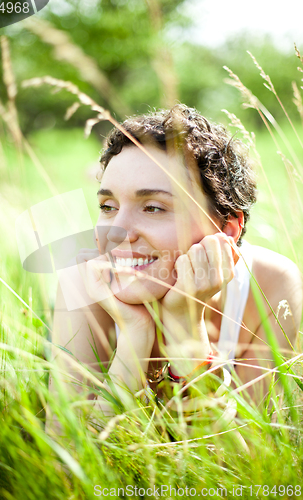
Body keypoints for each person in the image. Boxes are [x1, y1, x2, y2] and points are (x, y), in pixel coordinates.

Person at [51, 104, 302, 419]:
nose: (118, 233)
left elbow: (242, 459)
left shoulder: (271, 286)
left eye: (153, 207)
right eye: (108, 206)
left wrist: (186, 327)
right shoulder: (84, 282)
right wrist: (132, 340)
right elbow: (66, 458)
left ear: (226, 228)